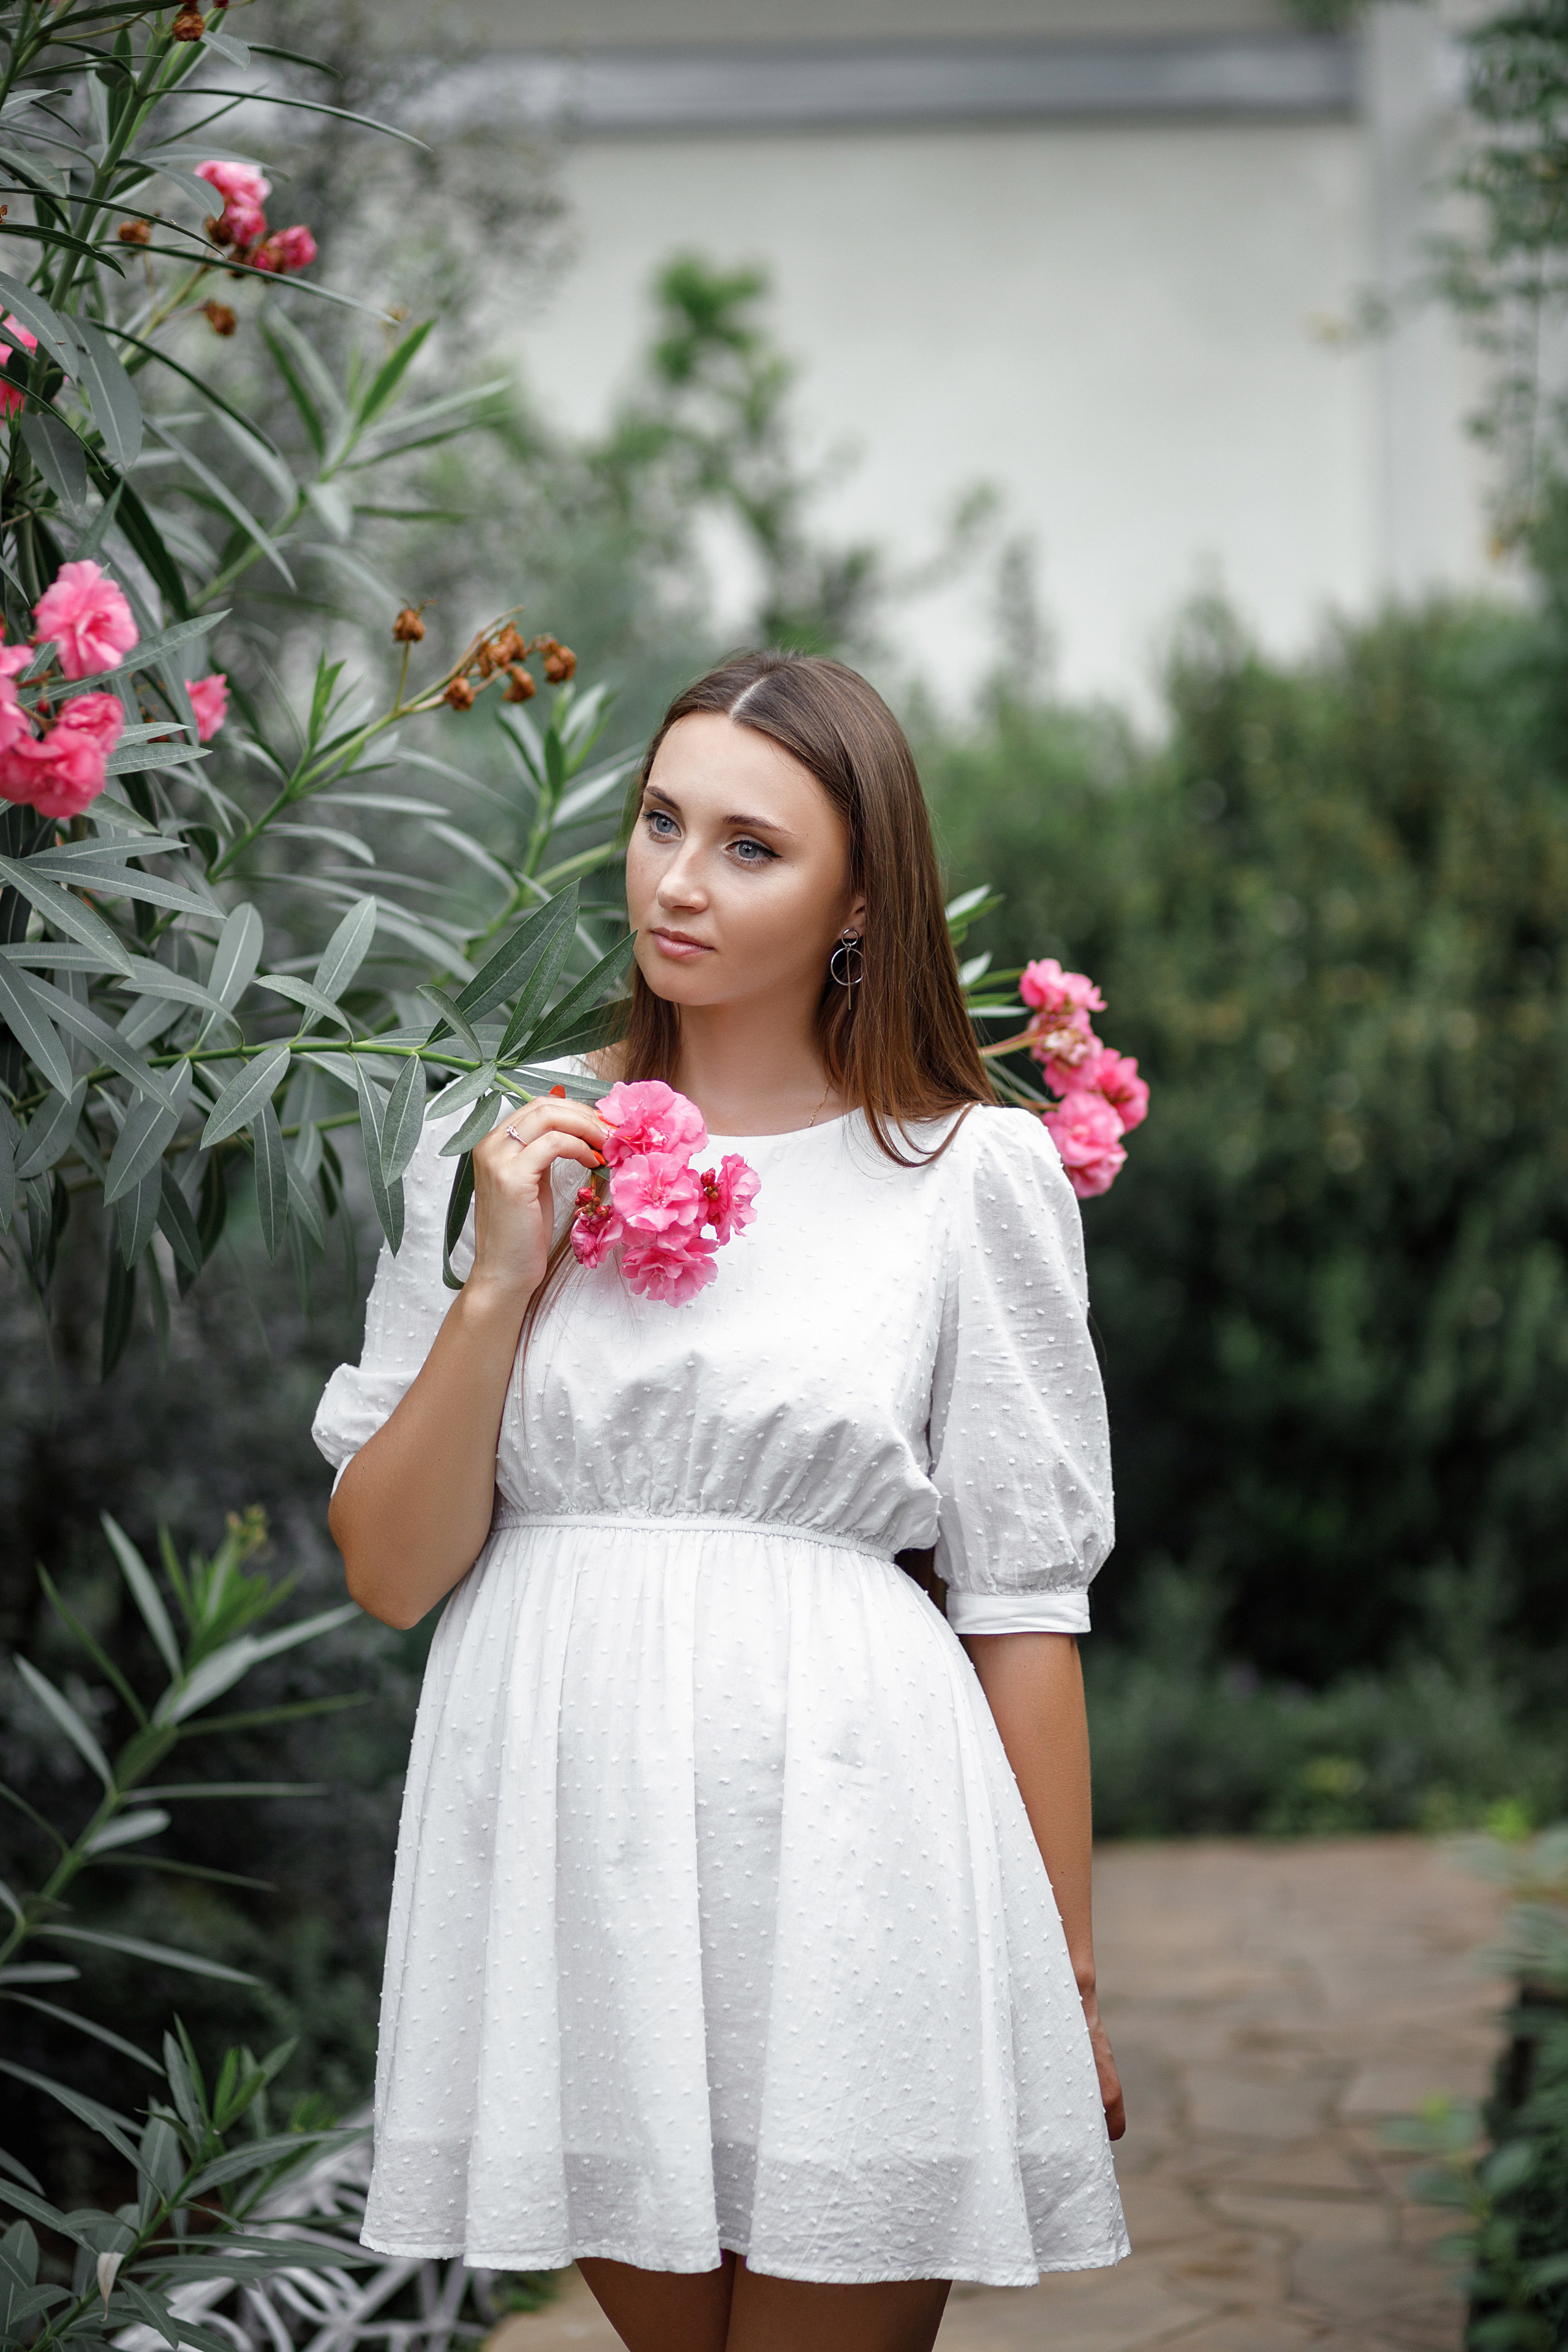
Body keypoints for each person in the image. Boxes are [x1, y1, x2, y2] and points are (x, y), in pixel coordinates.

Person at [315, 651, 1129, 2352]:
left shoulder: (964, 1173)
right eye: (661, 821)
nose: (677, 882)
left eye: (751, 847)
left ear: (857, 904)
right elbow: (393, 1571)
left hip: (862, 1846)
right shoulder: (499, 1145)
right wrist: (497, 1290)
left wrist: (1064, 1984)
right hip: (568, 1870)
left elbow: (1023, 1600)